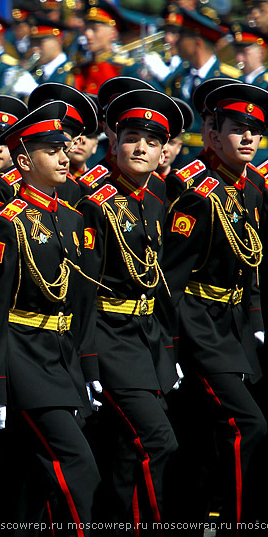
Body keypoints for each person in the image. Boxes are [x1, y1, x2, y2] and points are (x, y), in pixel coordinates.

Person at [0, 100, 100, 533]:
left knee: (23, 479)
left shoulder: (70, 217)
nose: (64, 157)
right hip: (22, 360)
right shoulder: (7, 224)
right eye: (51, 150)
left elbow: (80, 304)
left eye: (64, 148)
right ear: (24, 160)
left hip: (60, 358)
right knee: (79, 468)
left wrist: (85, 364)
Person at [76, 89, 185, 530]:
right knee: (156, 441)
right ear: (113, 139)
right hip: (108, 335)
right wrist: (87, 360)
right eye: (132, 137)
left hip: (147, 338)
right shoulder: (91, 200)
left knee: (126, 449)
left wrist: (169, 345)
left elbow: (160, 279)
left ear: (164, 151)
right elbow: (81, 290)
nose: (141, 148)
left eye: (152, 141)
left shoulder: (159, 194)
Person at [162, 83, 268, 528]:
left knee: (203, 439)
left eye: (255, 132)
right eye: (237, 129)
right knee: (248, 426)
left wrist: (256, 319)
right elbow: (172, 278)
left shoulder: (253, 186)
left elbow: (253, 260)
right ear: (211, 133)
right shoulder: (194, 191)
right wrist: (173, 345)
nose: (247, 139)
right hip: (200, 327)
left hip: (237, 325)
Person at [164, 8, 241, 167]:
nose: (176, 41)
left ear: (197, 42)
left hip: (216, 163)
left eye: (182, 36)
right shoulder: (178, 78)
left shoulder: (229, 79)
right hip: (179, 163)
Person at [26, 83, 98, 207]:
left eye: (61, 134)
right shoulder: (7, 184)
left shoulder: (72, 188)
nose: (53, 140)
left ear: (75, 143)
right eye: (47, 131)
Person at [73, 0, 138, 95]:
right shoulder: (78, 70)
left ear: (113, 33)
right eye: (86, 28)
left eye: (94, 29)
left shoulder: (125, 68)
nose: (87, 34)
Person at [28, 17, 74, 85]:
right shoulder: (36, 72)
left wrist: (32, 89)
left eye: (39, 43)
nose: (35, 49)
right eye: (33, 44)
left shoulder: (71, 72)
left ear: (58, 40)